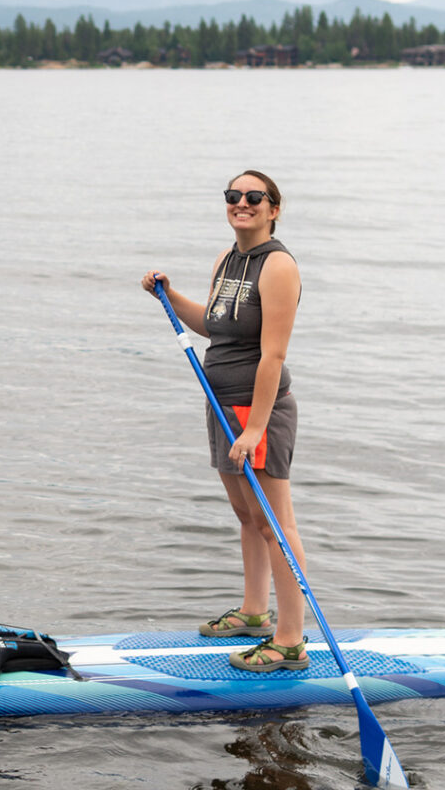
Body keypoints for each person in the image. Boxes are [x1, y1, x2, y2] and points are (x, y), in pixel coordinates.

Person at [141, 170, 309, 672]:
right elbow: (213, 326)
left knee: (274, 522)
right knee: (247, 516)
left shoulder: (277, 266)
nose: (243, 203)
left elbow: (273, 355)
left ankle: (290, 640)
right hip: (220, 403)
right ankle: (255, 612)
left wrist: (256, 427)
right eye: (234, 196)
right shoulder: (227, 259)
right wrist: (168, 297)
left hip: (256, 409)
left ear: (273, 208)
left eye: (254, 197)